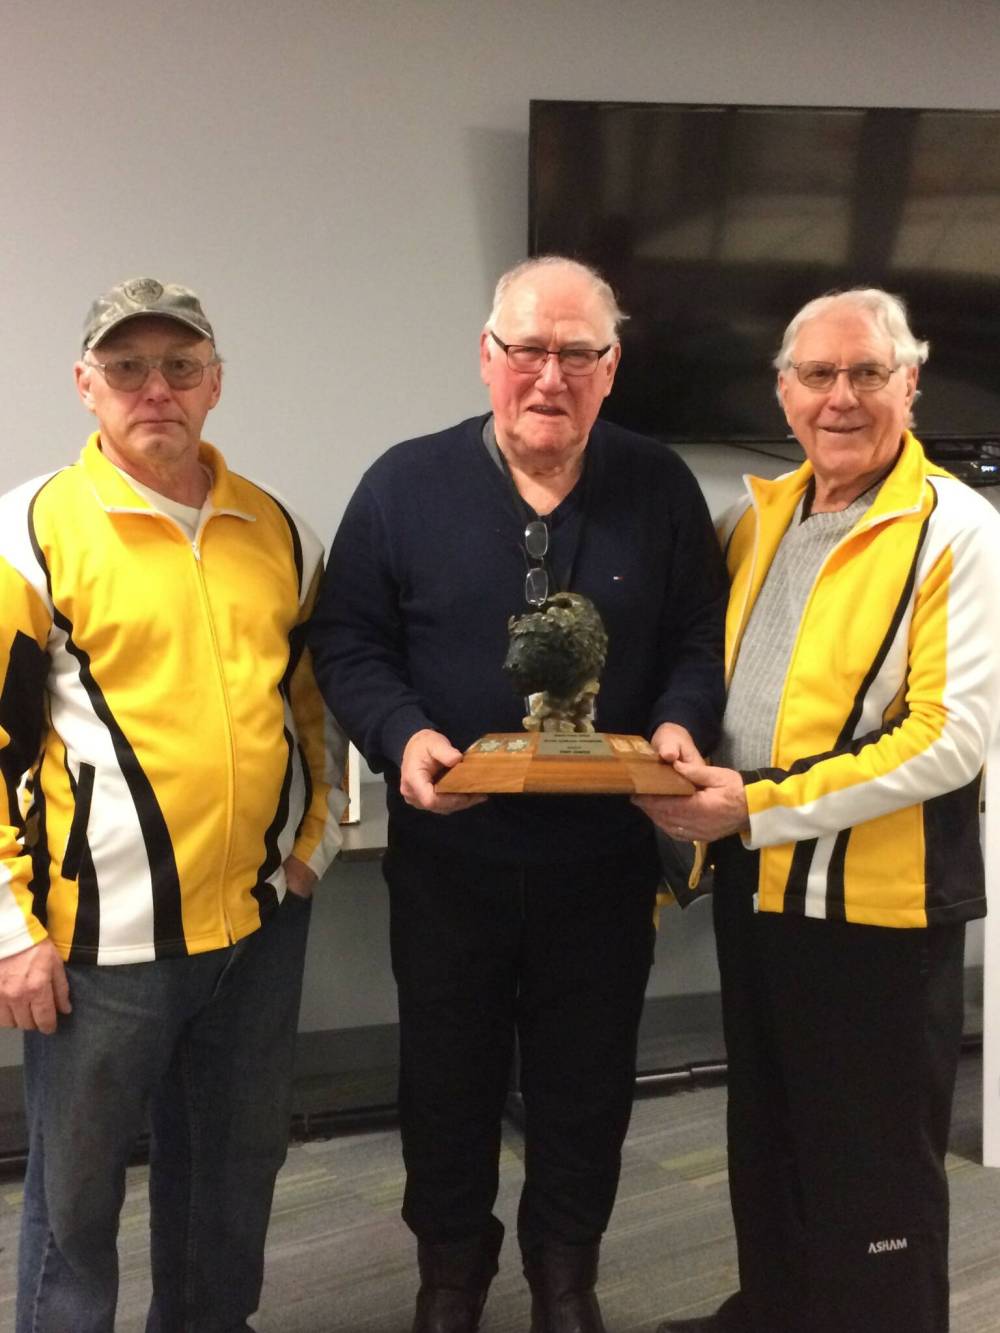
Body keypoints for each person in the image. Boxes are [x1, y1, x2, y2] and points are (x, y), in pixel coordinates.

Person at [308, 255, 727, 1332]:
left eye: (577, 353)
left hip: (604, 861)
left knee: (588, 1081)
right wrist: (403, 736)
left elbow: (696, 636)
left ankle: (564, 1276)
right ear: (486, 357)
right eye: (528, 349)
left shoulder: (659, 486)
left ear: (611, 366)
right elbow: (348, 641)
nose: (551, 375)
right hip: (452, 859)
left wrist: (679, 722)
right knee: (445, 1076)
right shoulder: (403, 485)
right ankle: (450, 1274)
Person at [643, 288, 1000, 1333]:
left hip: (876, 911)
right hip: (757, 887)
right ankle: (777, 1309)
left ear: (909, 384)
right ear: (783, 392)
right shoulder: (756, 517)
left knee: (874, 1169)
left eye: (866, 373)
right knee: (770, 1137)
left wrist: (754, 805)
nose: (840, 396)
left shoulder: (958, 530)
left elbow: (948, 738)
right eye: (817, 374)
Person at [0, 276, 346, 1332]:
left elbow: (311, 711)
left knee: (232, 1181)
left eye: (180, 366)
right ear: (85, 384)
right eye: (127, 367)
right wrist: (10, 929)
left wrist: (313, 847)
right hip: (101, 946)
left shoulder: (277, 529)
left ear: (215, 383)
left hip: (256, 928)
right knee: (77, 1205)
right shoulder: (31, 531)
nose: (156, 388)